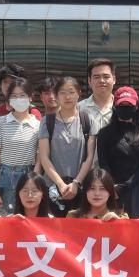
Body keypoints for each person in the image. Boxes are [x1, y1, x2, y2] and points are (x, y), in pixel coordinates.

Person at [62, 167, 131, 277]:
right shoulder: (73, 217)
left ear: (110, 192)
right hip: (80, 271)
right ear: (85, 191)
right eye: (92, 188)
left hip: (109, 273)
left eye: (102, 189)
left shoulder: (121, 217)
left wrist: (119, 225)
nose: (97, 193)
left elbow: (131, 248)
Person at [38, 76, 95, 214]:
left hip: (81, 187)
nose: (67, 97)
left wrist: (76, 183)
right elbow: (44, 157)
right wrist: (60, 184)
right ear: (57, 95)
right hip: (53, 188)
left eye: (71, 92)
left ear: (79, 93)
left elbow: (90, 157)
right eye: (62, 92)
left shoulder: (88, 120)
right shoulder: (47, 121)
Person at [96, 86, 139, 217]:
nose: (125, 109)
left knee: (137, 226)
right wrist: (113, 186)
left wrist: (126, 186)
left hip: (137, 188)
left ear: (136, 106)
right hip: (111, 188)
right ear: (115, 107)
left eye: (129, 105)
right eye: (122, 105)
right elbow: (103, 163)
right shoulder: (104, 134)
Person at [12, 172, 56, 277]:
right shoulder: (10, 219)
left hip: (43, 270)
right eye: (25, 191)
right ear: (18, 194)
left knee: (41, 276)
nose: (29, 195)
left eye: (34, 191)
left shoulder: (52, 220)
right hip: (18, 270)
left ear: (43, 194)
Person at [0, 78, 41, 212]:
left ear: (30, 97)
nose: (18, 99)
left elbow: (39, 160)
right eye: (14, 96)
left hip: (27, 175)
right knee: (1, 218)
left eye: (22, 95)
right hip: (3, 176)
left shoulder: (38, 125)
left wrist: (33, 183)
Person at [78, 58, 116, 134]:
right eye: (96, 77)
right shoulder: (78, 109)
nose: (101, 81)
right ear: (89, 81)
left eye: (106, 77)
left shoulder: (122, 107)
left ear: (114, 79)